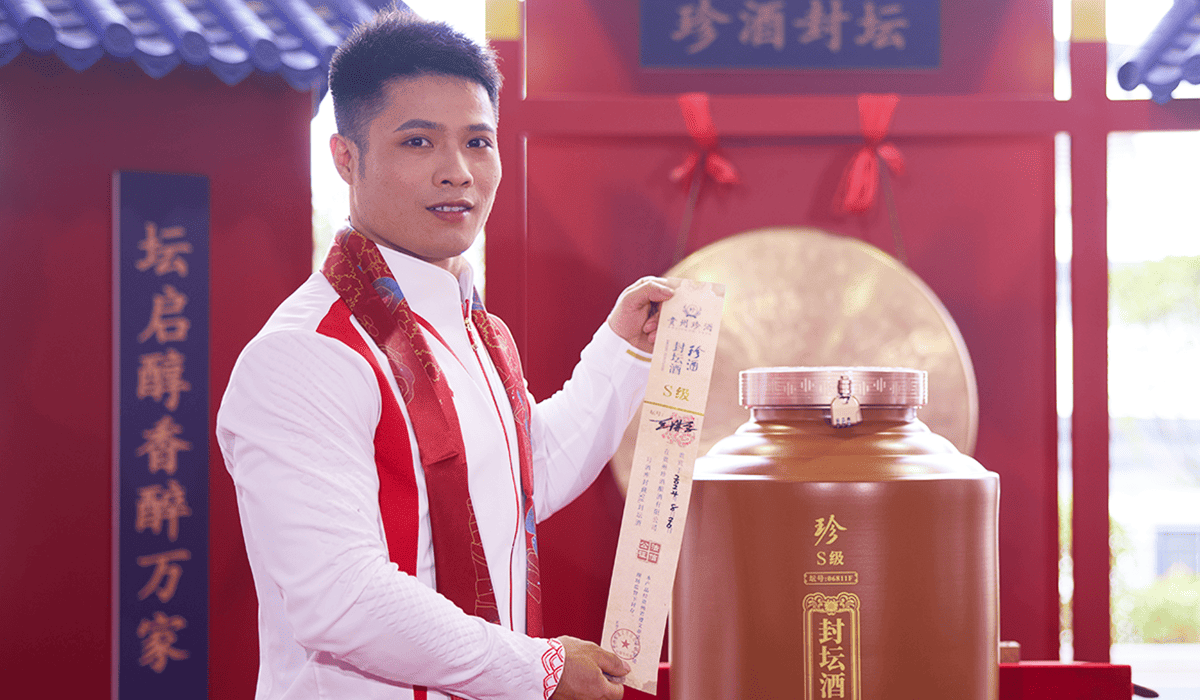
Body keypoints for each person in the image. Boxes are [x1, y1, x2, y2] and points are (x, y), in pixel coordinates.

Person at [216, 7, 674, 700]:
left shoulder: (474, 327)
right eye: (418, 142)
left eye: (478, 142)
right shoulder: (305, 354)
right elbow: (340, 597)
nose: (457, 172)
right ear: (346, 157)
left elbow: (525, 475)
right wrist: (539, 671)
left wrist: (623, 353)